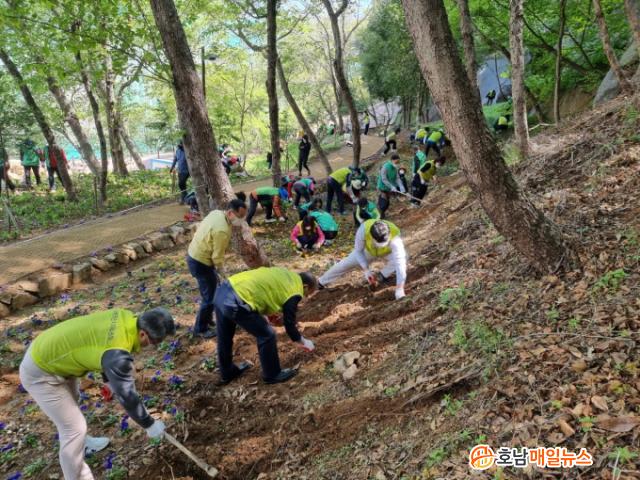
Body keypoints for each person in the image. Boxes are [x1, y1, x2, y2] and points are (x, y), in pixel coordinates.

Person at [19, 308, 175, 480]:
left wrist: (110, 381)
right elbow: (127, 394)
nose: (152, 346)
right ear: (143, 334)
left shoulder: (125, 317)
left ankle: (83, 444)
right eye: (155, 342)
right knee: (74, 429)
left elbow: (102, 343)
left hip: (54, 352)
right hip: (40, 371)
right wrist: (149, 424)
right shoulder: (117, 354)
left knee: (73, 401)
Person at [213, 267, 317, 385]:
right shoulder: (296, 291)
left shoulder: (287, 275)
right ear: (305, 287)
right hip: (236, 301)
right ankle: (272, 374)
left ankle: (227, 372)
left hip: (222, 292)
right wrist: (303, 341)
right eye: (307, 294)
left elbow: (264, 289)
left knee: (224, 337)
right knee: (267, 335)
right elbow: (290, 324)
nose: (305, 297)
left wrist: (268, 313)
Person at [187, 199, 247, 338]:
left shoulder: (217, 213)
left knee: (210, 292)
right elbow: (217, 257)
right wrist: (223, 274)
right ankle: (200, 329)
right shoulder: (222, 230)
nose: (241, 220)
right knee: (210, 298)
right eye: (240, 216)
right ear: (231, 213)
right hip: (201, 262)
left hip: (194, 254)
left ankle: (208, 320)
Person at [319, 219, 407, 300]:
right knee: (345, 264)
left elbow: (400, 263)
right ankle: (321, 282)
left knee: (404, 257)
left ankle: (381, 276)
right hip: (368, 251)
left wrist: (400, 289)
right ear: (372, 237)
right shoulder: (363, 230)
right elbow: (358, 251)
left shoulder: (395, 238)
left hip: (388, 252)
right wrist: (366, 270)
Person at [377, 153, 405, 218]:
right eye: (396, 162)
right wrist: (391, 186)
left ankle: (382, 213)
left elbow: (397, 178)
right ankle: (379, 215)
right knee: (383, 203)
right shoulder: (385, 167)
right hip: (382, 187)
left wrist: (401, 186)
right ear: (392, 160)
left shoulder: (395, 168)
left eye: (398, 162)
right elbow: (384, 179)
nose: (397, 163)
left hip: (389, 188)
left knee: (387, 203)